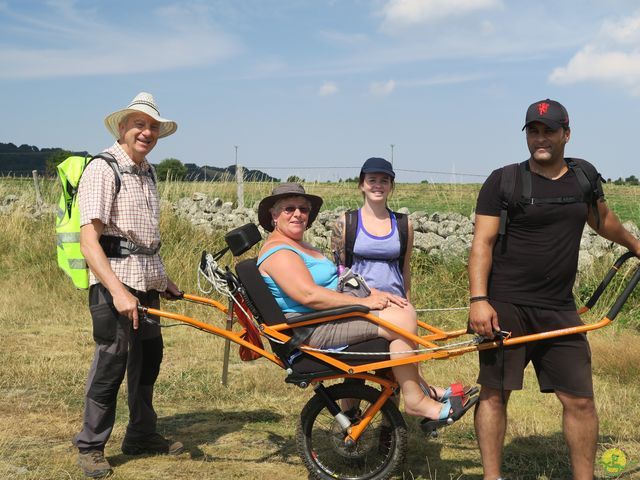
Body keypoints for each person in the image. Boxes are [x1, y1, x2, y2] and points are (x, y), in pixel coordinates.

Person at [468, 98, 640, 480]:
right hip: (505, 306)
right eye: (533, 131)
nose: (540, 138)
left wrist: (635, 244)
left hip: (560, 307)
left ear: (567, 133)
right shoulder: (504, 180)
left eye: (549, 130)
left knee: (579, 400)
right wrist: (479, 300)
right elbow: (483, 243)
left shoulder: (583, 177)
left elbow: (603, 220)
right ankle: (491, 477)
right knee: (495, 394)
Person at [256, 182, 477, 428]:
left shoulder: (299, 245)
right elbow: (309, 296)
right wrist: (364, 302)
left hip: (328, 318)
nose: (297, 214)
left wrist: (375, 293)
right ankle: (418, 399)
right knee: (402, 321)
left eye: (303, 209)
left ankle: (424, 392)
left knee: (403, 311)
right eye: (289, 209)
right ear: (274, 215)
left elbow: (338, 281)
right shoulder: (279, 252)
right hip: (313, 328)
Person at [73, 92, 184, 478]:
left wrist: (163, 278)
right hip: (113, 286)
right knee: (111, 362)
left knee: (148, 361)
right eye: (139, 124)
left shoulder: (148, 171)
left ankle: (141, 434)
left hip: (147, 284)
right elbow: (90, 241)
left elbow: (141, 237)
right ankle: (90, 446)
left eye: (153, 126)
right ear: (122, 128)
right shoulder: (104, 169)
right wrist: (118, 292)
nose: (147, 132)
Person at [331, 157, 413, 300]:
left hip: (395, 303)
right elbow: (339, 269)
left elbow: (405, 269)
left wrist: (408, 304)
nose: (378, 185)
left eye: (384, 181)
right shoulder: (346, 223)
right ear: (362, 185)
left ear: (391, 186)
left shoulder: (404, 224)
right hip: (358, 303)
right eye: (372, 180)